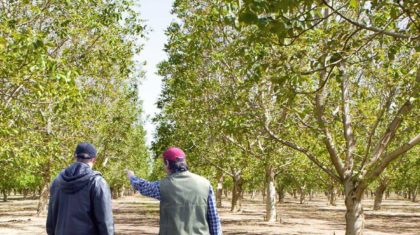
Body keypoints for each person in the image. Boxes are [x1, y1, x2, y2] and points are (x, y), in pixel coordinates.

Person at [126, 147, 222, 235]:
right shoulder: (205, 184)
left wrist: (132, 177)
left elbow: (144, 187)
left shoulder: (162, 186)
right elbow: (214, 218)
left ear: (167, 163)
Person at [46, 142, 114, 235]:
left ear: (75, 157)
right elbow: (105, 222)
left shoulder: (57, 181)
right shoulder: (97, 182)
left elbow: (51, 221)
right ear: (94, 160)